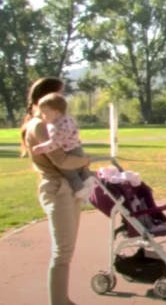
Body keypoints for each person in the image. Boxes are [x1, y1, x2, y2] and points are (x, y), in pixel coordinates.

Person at [20, 77, 91, 305]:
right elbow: (61, 160)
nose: (63, 99)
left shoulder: (51, 123)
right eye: (60, 94)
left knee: (65, 252)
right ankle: (58, 302)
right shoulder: (39, 125)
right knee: (62, 253)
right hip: (57, 188)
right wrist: (84, 161)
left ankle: (63, 300)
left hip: (66, 188)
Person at [32, 93, 94, 201]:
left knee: (70, 174)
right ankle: (88, 180)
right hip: (78, 148)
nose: (42, 116)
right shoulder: (69, 119)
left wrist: (41, 148)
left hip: (69, 151)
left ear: (56, 113)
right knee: (81, 169)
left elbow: (55, 143)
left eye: (44, 114)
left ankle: (80, 191)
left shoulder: (57, 126)